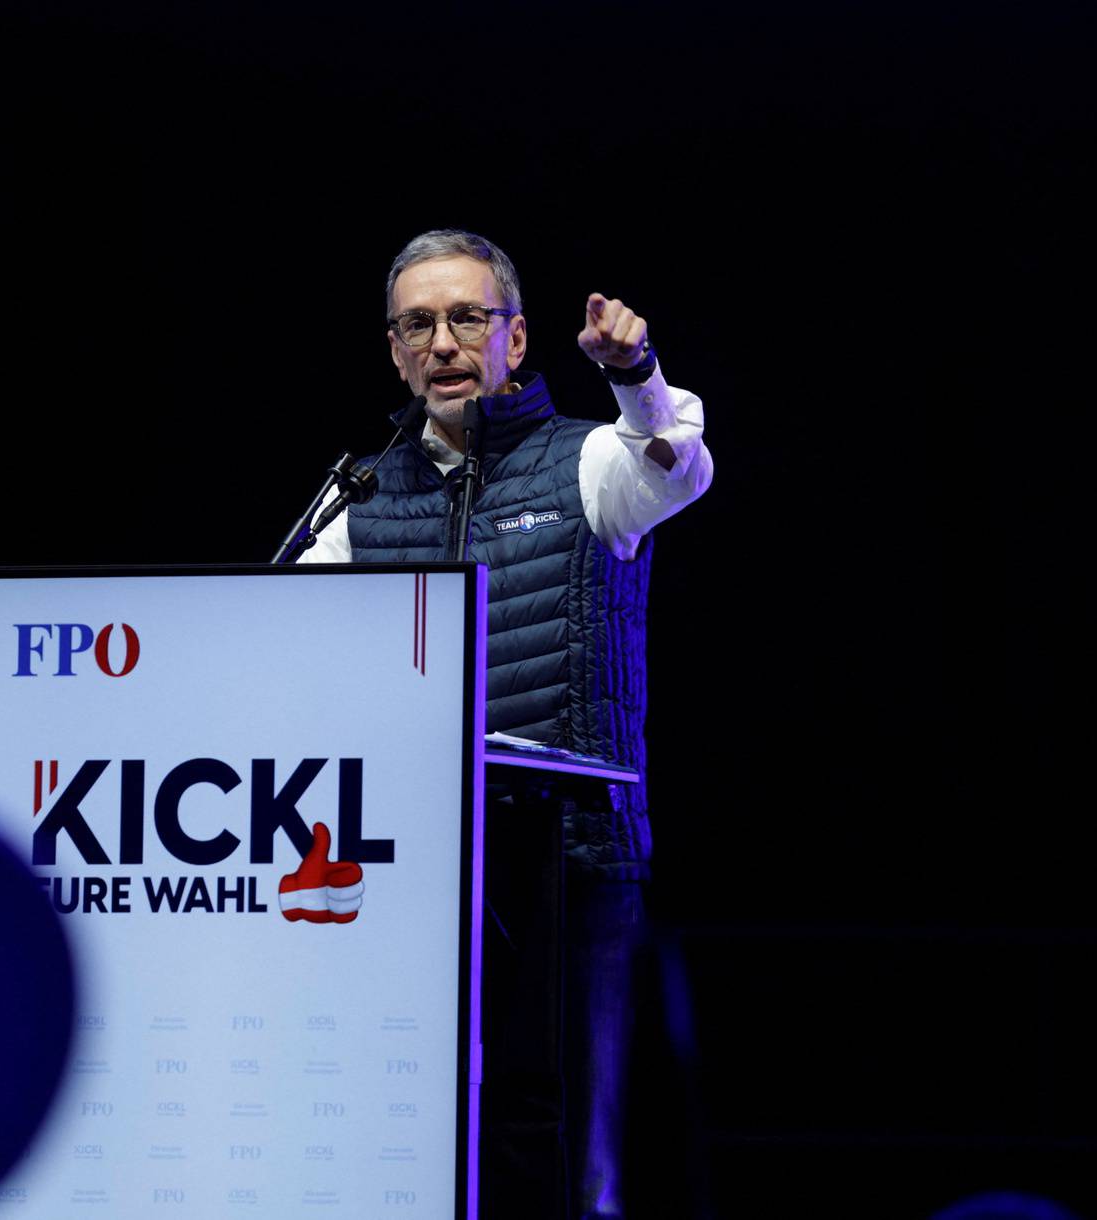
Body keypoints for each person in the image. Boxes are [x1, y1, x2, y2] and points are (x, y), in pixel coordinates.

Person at [301, 228, 712, 1219]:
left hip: (574, 867)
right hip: (418, 886)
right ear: (394, 351)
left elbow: (679, 465)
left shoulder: (590, 462)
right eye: (417, 324)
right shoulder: (355, 499)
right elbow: (289, 649)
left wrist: (637, 374)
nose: (442, 342)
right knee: (438, 1144)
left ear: (516, 340)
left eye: (465, 317)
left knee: (575, 1158)